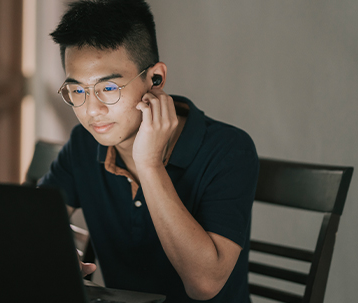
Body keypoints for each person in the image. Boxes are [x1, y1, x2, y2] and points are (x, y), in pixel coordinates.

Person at [40, 0, 259, 302]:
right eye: (77, 90)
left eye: (109, 87)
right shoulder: (84, 143)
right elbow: (33, 223)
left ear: (155, 79)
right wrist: (54, 255)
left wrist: (149, 165)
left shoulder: (229, 150)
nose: (91, 110)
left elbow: (204, 285)